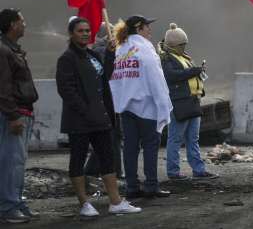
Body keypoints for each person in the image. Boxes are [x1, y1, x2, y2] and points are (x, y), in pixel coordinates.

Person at [56, 17, 141, 217]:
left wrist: (111, 54)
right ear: (71, 34)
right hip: (79, 120)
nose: (85, 33)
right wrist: (85, 111)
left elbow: (106, 76)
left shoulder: (93, 55)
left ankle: (115, 201)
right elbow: (66, 90)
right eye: (80, 31)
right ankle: (85, 203)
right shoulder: (67, 58)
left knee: (107, 158)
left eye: (87, 30)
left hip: (101, 117)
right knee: (77, 159)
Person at [109, 15, 172, 199]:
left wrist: (119, 103)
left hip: (126, 107)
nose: (149, 30)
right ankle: (151, 185)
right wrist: (163, 105)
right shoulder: (145, 49)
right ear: (139, 29)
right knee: (150, 147)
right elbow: (156, 80)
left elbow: (116, 80)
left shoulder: (121, 49)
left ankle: (131, 187)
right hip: (146, 107)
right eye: (147, 27)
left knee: (130, 148)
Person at [160, 23, 217, 181]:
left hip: (192, 101)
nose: (183, 47)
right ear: (172, 45)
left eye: (184, 44)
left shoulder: (182, 57)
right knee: (175, 139)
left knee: (193, 139)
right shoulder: (166, 58)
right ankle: (173, 172)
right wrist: (194, 70)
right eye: (181, 45)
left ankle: (199, 170)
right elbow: (171, 76)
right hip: (179, 103)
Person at [0, 9, 38, 224]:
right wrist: (13, 116)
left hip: (22, 112)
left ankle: (16, 202)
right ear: (13, 24)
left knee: (18, 161)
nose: (25, 24)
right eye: (22, 21)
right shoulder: (3, 50)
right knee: (11, 162)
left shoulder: (11, 49)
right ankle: (8, 206)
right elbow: (2, 88)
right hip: (12, 115)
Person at [84, 24, 123, 180]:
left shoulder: (98, 50)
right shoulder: (101, 51)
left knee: (110, 136)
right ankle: (116, 172)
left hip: (107, 98)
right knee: (113, 136)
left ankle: (92, 169)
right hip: (108, 99)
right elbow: (106, 74)